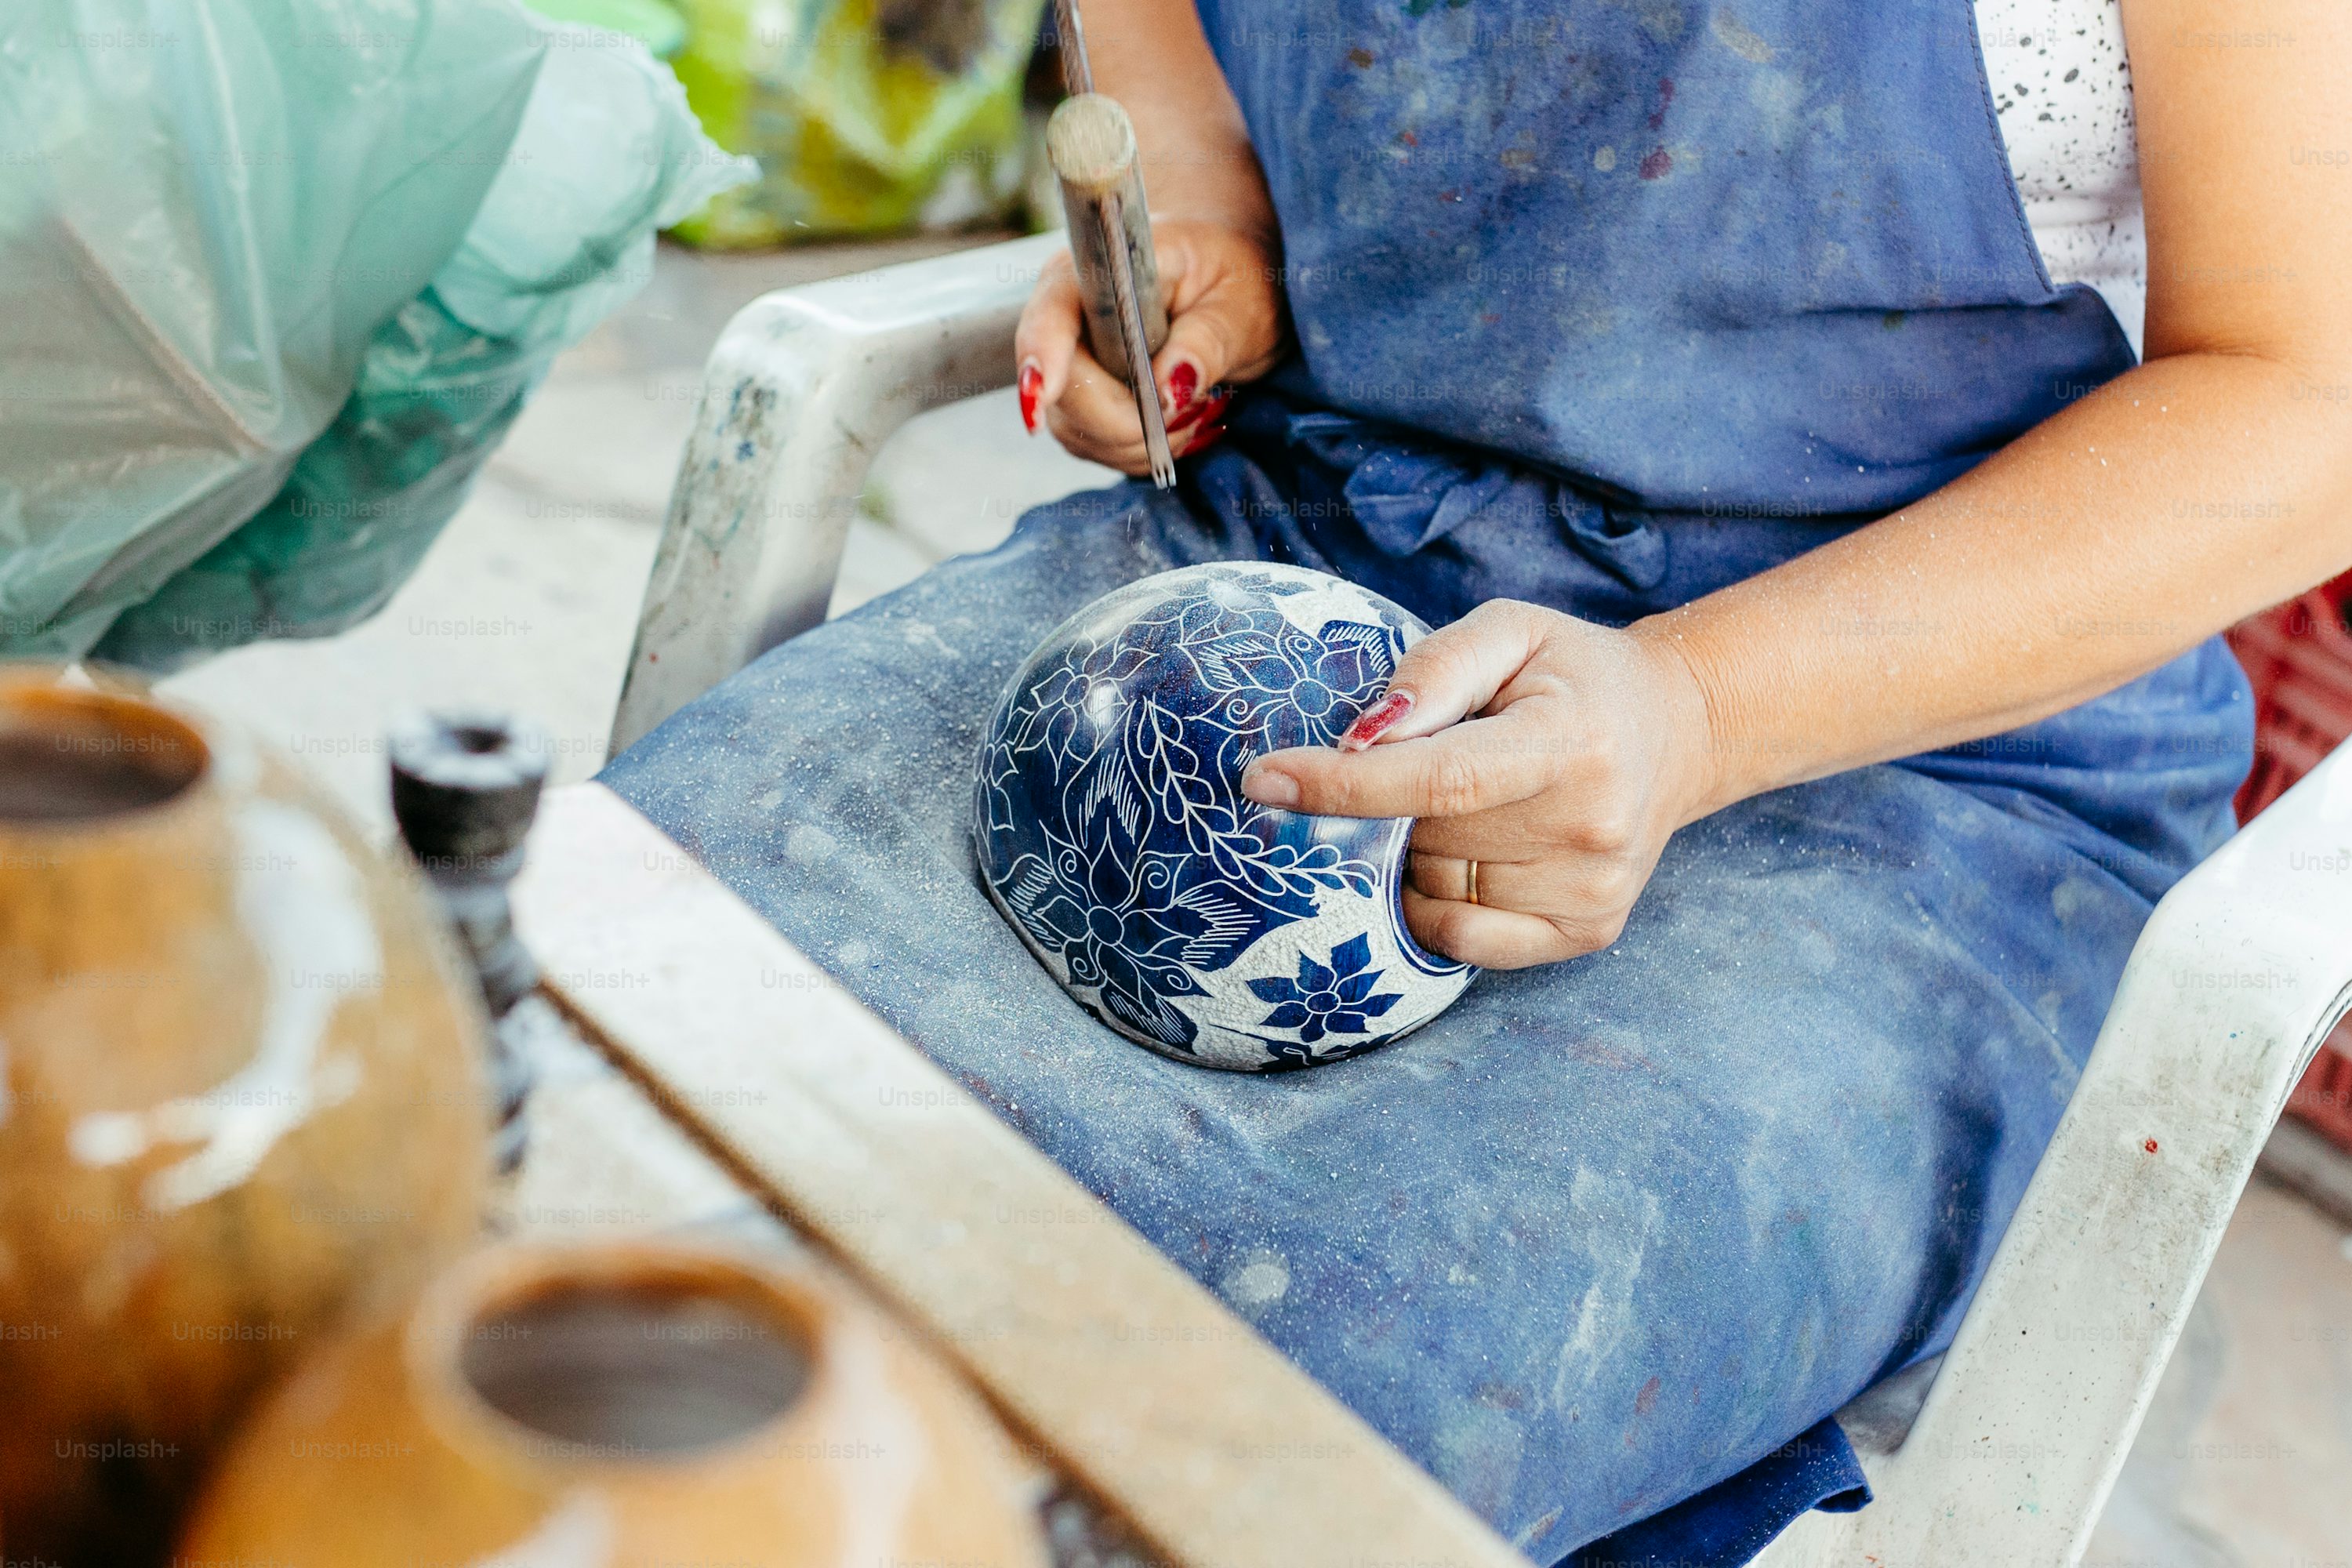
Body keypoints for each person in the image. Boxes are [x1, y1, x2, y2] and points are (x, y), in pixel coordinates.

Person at [602, 0, 2352, 1559]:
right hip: (1314, 525)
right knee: (605, 1035)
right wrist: (1201, 208)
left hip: (1905, 756)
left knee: (1247, 1424)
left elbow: (2309, 402)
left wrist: (1696, 710)